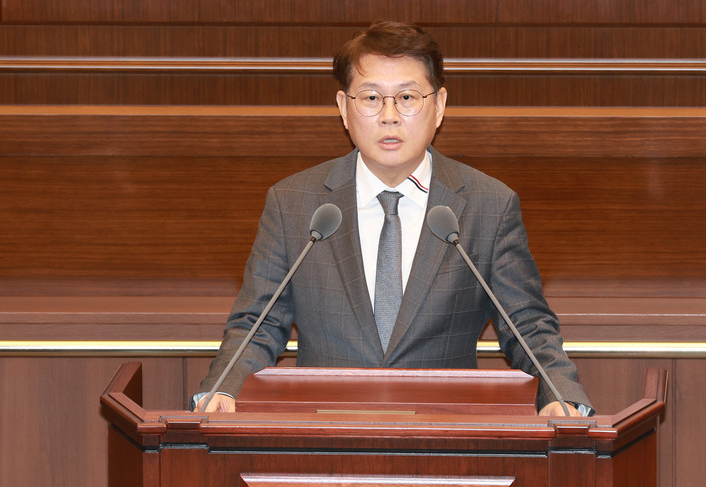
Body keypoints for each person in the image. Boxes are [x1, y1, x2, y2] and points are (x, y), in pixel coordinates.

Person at [194, 21, 593, 416]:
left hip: (445, 435)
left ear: (439, 106)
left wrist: (561, 396)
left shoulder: (488, 205)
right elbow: (258, 324)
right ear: (343, 108)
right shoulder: (294, 203)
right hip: (326, 433)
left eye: (406, 97)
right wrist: (222, 390)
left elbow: (526, 325)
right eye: (371, 97)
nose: (389, 116)